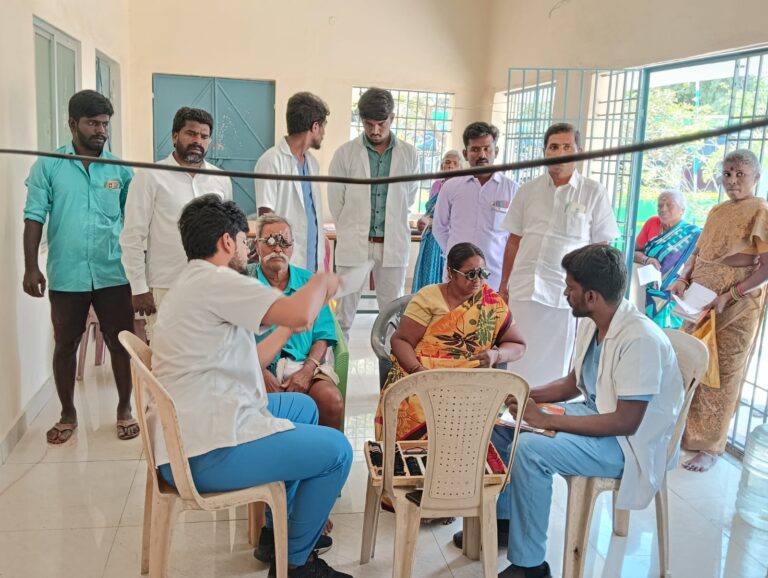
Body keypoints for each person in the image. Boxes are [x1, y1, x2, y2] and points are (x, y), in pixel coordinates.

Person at [150, 194, 352, 578]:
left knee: (304, 408)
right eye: (246, 242)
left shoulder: (194, 282)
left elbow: (254, 355)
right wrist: (323, 280)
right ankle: (295, 563)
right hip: (206, 452)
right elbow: (300, 312)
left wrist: (289, 327)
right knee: (338, 452)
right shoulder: (219, 280)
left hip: (194, 429)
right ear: (227, 241)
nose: (249, 251)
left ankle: (276, 531)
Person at [456, 244, 684, 578]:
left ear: (591, 296)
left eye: (570, 287)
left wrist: (546, 419)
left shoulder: (639, 340)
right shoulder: (596, 321)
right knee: (503, 425)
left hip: (628, 445)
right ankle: (508, 523)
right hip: (599, 415)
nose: (565, 292)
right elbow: (572, 384)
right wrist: (517, 394)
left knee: (531, 450)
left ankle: (531, 566)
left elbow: (626, 422)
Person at [22, 90, 139, 444]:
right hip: (67, 274)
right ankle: (67, 414)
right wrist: (31, 267)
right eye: (92, 123)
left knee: (121, 344)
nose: (101, 130)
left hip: (113, 272)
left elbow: (133, 222)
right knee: (65, 345)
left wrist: (140, 273)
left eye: (105, 124)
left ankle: (124, 410)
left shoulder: (121, 169)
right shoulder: (48, 166)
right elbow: (33, 217)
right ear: (73, 124)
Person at [498, 122, 620, 386]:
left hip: (565, 295)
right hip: (524, 288)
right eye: (553, 147)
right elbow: (513, 241)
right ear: (545, 152)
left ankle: (543, 409)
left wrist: (592, 295)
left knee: (555, 364)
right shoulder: (527, 190)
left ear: (579, 151)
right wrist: (503, 286)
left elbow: (601, 247)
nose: (560, 153)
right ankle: (512, 405)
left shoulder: (593, 192)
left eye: (567, 147)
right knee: (517, 356)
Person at [670, 149, 768, 473]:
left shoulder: (761, 210)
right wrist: (682, 278)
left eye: (741, 174)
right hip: (699, 302)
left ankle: (709, 447)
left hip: (737, 307)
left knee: (722, 374)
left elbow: (765, 268)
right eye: (727, 174)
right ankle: (681, 432)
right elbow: (697, 253)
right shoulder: (716, 210)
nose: (733, 180)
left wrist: (731, 294)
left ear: (756, 177)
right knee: (690, 365)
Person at [375, 242, 527, 441]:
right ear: (450, 272)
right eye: (470, 274)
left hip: (470, 377)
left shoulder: (491, 302)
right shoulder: (429, 297)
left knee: (487, 414)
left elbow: (518, 345)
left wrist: (496, 354)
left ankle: (464, 457)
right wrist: (418, 372)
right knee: (417, 405)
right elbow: (401, 340)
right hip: (424, 372)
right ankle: (413, 457)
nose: (478, 280)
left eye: (482, 273)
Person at [121, 107, 232, 342]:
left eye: (204, 136)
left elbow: (228, 233)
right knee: (165, 355)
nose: (197, 141)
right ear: (174, 136)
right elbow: (132, 236)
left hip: (212, 286)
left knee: (208, 352)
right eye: (191, 134)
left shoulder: (220, 179)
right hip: (166, 286)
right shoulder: (150, 176)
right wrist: (139, 287)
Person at [328, 87, 419, 340]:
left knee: (393, 316)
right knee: (343, 316)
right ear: (361, 120)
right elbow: (337, 203)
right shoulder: (345, 154)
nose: (375, 131)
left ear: (393, 118)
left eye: (381, 124)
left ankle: (388, 365)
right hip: (354, 243)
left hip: (392, 245)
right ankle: (339, 364)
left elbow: (408, 200)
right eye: (369, 124)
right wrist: (352, 230)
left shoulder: (409, 154)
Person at [248, 214, 344, 429]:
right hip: (255, 367)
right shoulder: (245, 282)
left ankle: (323, 450)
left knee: (331, 401)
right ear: (257, 245)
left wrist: (308, 370)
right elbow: (233, 339)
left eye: (284, 242)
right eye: (270, 241)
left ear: (292, 247)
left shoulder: (310, 282)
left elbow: (323, 336)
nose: (278, 248)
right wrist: (260, 372)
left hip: (304, 363)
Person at [432, 122, 518, 290]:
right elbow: (439, 227)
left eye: (487, 149)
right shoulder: (451, 186)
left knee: (489, 309)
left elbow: (514, 236)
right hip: (456, 275)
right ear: (465, 153)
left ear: (496, 151)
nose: (482, 155)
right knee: (454, 308)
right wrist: (455, 254)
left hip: (494, 277)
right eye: (475, 149)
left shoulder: (511, 189)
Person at [255, 92, 329, 271]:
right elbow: (265, 218)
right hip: (284, 263)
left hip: (312, 261)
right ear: (315, 126)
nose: (324, 133)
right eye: (323, 127)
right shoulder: (271, 161)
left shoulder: (312, 163)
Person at [632, 190, 701, 328]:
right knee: (651, 330)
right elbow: (633, 252)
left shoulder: (693, 234)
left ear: (682, 210)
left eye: (669, 205)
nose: (663, 209)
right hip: (650, 291)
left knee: (674, 335)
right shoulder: (652, 223)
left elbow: (697, 264)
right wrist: (647, 259)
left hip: (678, 292)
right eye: (660, 205)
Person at [411, 150, 462, 292]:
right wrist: (423, 220)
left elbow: (457, 218)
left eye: (455, 163)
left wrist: (433, 222)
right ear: (442, 165)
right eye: (447, 162)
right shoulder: (436, 185)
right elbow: (430, 210)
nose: (450, 166)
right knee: (426, 276)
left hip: (446, 238)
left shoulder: (461, 188)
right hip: (429, 238)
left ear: (460, 168)